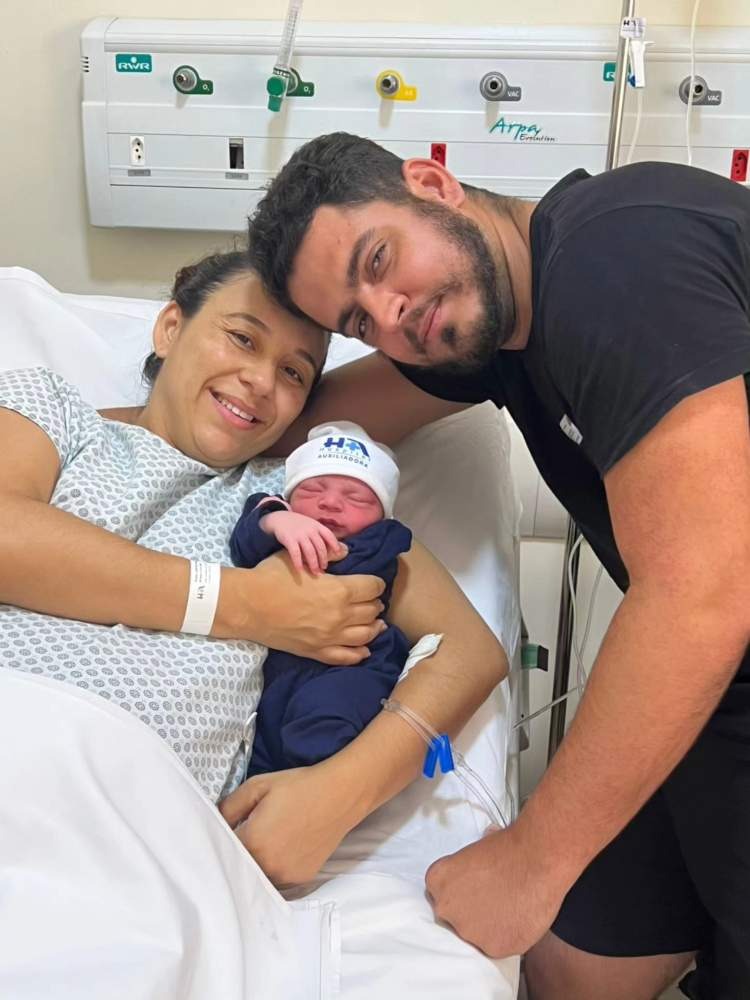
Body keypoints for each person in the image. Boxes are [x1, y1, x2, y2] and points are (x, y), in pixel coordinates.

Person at [246, 133, 750, 999]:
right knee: (565, 971)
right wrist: (138, 417)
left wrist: (533, 859)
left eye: (380, 260)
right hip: (719, 686)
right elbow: (294, 422)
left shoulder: (615, 256)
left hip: (718, 639)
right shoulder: (490, 340)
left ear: (432, 184)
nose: (392, 316)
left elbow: (701, 596)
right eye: (359, 322)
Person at [0, 248, 508, 887]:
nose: (263, 382)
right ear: (171, 328)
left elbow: (468, 654)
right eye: (242, 338)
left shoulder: (303, 500)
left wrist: (337, 794)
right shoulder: (54, 415)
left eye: (294, 373)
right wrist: (245, 604)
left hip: (143, 847)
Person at [230, 420, 411, 776]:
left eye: (356, 498)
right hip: (278, 669)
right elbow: (245, 542)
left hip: (355, 661)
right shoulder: (276, 520)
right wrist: (277, 521)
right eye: (312, 490)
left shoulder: (382, 538)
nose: (329, 502)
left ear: (382, 514)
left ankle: (323, 778)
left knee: (326, 715)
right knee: (261, 752)